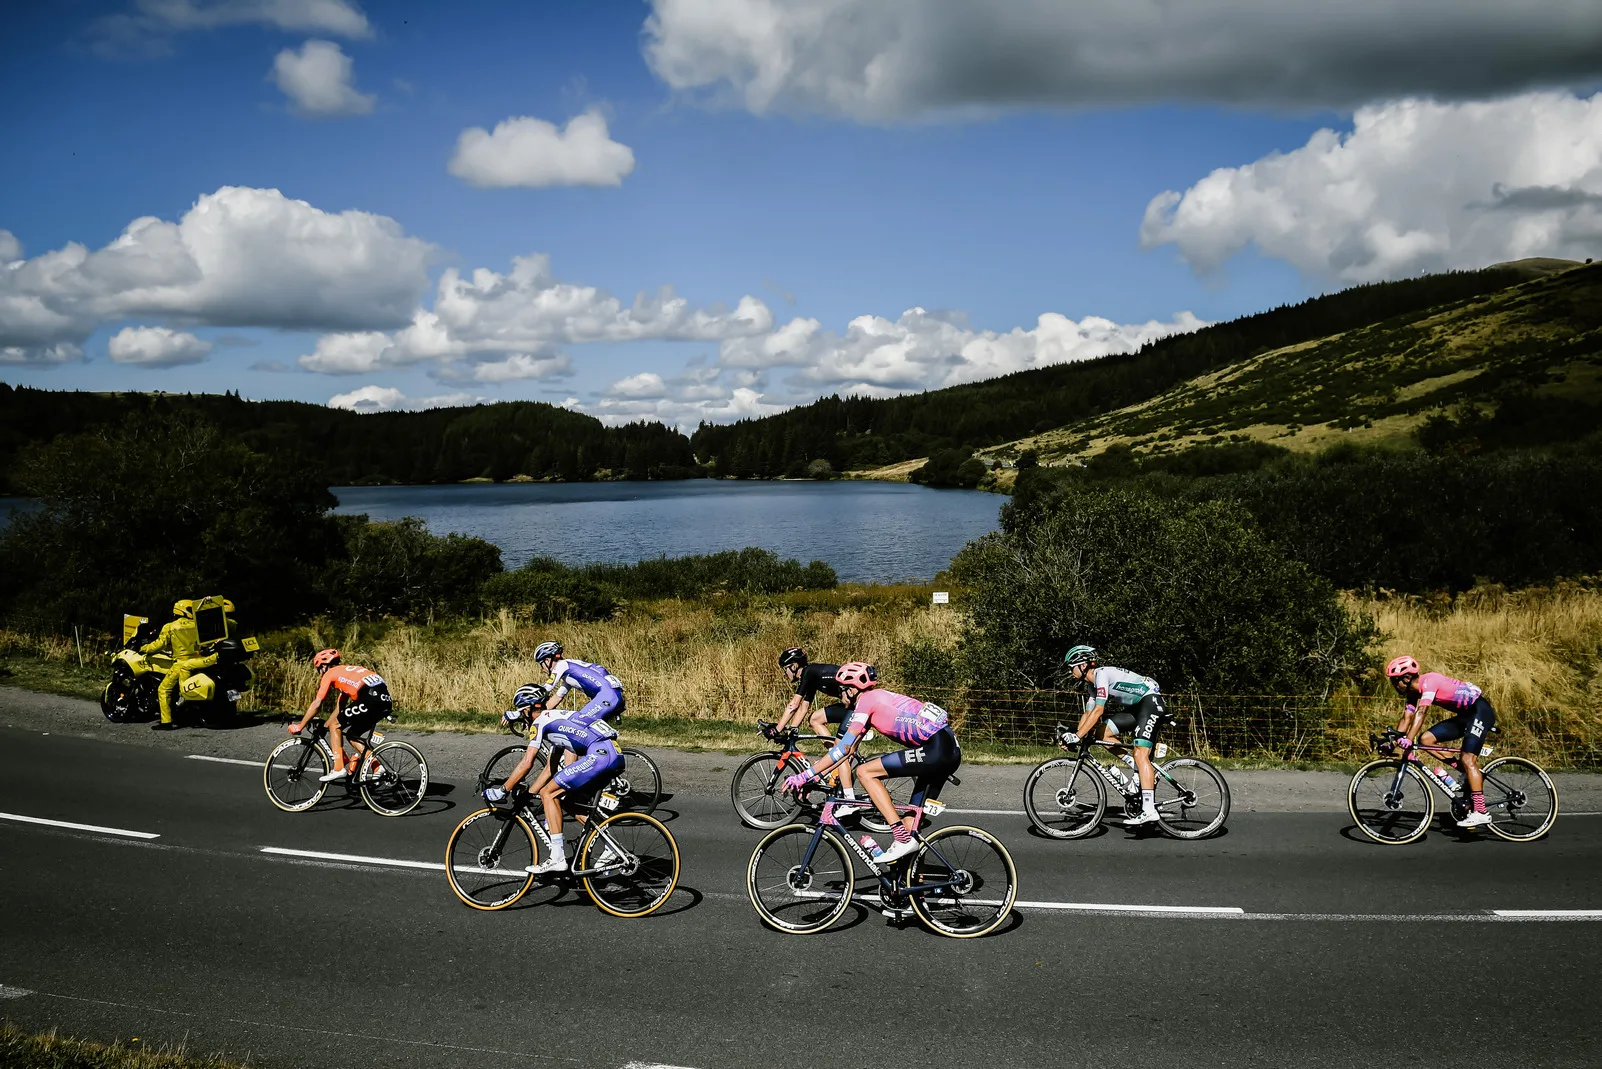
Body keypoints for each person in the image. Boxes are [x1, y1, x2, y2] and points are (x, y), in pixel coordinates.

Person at [784, 662, 960, 866]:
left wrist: (803, 776)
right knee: (911, 825)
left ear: (851, 690)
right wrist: (816, 776)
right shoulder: (878, 697)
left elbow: (843, 749)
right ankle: (911, 888)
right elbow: (845, 752)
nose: (840, 696)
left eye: (841, 690)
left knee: (865, 772)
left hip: (936, 750)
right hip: (948, 748)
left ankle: (900, 836)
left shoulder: (866, 702)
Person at [483, 686, 624, 876]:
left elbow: (527, 762)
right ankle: (611, 846)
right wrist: (529, 793)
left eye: (521, 712)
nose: (522, 719)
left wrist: (503, 790)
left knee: (548, 793)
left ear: (527, 710)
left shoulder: (540, 723)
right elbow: (550, 767)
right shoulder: (555, 719)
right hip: (612, 754)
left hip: (600, 754)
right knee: (568, 801)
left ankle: (557, 857)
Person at [1059, 645, 1168, 827]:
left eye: (1072, 667)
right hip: (1136, 709)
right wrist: (1074, 737)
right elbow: (1088, 714)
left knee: (1140, 753)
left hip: (1150, 703)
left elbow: (1099, 710)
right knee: (1102, 732)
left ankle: (1149, 810)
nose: (1071, 672)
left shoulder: (1101, 675)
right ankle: (1136, 767)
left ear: (1083, 665)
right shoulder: (1091, 685)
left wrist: (1078, 735)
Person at [1384, 655, 1496, 829]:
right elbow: (1407, 718)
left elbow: (1421, 712)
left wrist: (1408, 739)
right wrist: (1392, 743)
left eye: (1394, 681)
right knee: (1426, 739)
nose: (1393, 685)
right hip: (1466, 716)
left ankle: (1481, 812)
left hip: (1479, 710)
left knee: (1468, 758)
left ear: (1406, 678)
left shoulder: (1429, 681)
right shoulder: (1412, 693)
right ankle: (1464, 771)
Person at [770, 647, 864, 813]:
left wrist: (776, 730)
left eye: (785, 669)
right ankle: (830, 761)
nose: (785, 674)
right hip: (851, 705)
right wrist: (792, 729)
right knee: (815, 719)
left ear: (793, 666)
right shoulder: (811, 675)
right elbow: (803, 707)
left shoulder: (808, 673)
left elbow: (793, 705)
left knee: (839, 751)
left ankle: (849, 802)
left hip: (858, 708)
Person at [290, 649, 393, 783]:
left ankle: (338, 768)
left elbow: (317, 703)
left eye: (318, 669)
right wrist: (325, 726)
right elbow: (340, 708)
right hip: (384, 701)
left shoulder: (330, 674)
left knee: (336, 725)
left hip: (370, 698)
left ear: (323, 666)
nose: (319, 673)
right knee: (352, 735)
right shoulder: (346, 674)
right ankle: (377, 767)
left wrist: (300, 726)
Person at [142, 599, 217, 732]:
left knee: (164, 690)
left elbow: (160, 644)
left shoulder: (170, 626)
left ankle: (166, 722)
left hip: (181, 663)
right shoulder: (198, 625)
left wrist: (145, 648)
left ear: (177, 611)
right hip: (199, 660)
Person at [534, 641, 624, 727]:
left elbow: (544, 690)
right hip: (614, 695)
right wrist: (537, 716)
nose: (542, 668)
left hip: (606, 696)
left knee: (577, 725)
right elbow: (557, 697)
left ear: (547, 660)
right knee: (593, 732)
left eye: (541, 664)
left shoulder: (561, 665)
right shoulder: (570, 671)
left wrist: (525, 706)